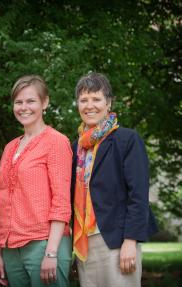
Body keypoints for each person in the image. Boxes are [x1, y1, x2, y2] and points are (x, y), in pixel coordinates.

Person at [71, 72, 158, 287]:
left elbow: (138, 196)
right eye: (83, 100)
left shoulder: (127, 140)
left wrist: (130, 241)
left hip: (117, 241)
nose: (89, 106)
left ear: (108, 103)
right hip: (84, 244)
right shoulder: (75, 148)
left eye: (96, 99)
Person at [0, 75, 73, 287]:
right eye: (18, 102)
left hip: (44, 244)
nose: (23, 107)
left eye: (30, 101)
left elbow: (61, 202)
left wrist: (52, 253)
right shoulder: (10, 148)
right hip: (11, 249)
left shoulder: (56, 142)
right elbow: (3, 204)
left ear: (44, 102)